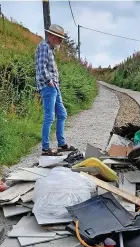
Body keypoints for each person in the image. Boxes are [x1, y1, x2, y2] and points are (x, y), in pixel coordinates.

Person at [35, 24, 75, 156]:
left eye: (61, 39)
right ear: (51, 36)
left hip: (54, 87)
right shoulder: (44, 47)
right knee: (49, 116)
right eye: (59, 38)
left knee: (62, 114)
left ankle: (61, 144)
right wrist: (49, 81)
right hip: (48, 86)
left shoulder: (50, 49)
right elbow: (42, 67)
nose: (60, 41)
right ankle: (45, 148)